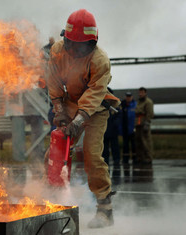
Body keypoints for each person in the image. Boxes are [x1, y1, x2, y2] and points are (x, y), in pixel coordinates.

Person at [46, 9, 120, 228]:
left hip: (96, 108)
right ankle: (53, 204)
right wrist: (59, 108)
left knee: (91, 156)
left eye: (82, 45)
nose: (76, 49)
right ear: (65, 39)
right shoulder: (58, 51)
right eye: (72, 44)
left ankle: (105, 211)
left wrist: (78, 122)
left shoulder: (100, 60)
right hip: (70, 102)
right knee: (56, 149)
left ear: (92, 42)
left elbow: (94, 94)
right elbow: (53, 80)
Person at [102, 87, 121, 170]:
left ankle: (116, 160)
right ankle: (105, 160)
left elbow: (119, 117)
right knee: (104, 148)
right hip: (104, 130)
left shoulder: (115, 105)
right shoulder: (102, 105)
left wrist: (116, 125)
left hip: (113, 130)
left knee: (115, 147)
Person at [135, 87, 154, 165]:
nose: (140, 94)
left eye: (142, 92)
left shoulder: (148, 102)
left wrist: (147, 123)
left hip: (144, 124)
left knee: (146, 142)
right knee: (138, 141)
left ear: (145, 93)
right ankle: (140, 158)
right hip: (138, 124)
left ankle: (148, 158)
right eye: (139, 92)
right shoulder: (139, 102)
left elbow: (150, 113)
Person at [121, 91, 137, 173]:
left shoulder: (135, 105)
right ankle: (125, 160)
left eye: (129, 96)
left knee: (134, 145)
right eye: (127, 96)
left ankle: (135, 159)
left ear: (132, 97)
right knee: (125, 145)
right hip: (125, 128)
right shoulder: (122, 105)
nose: (128, 98)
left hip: (133, 128)